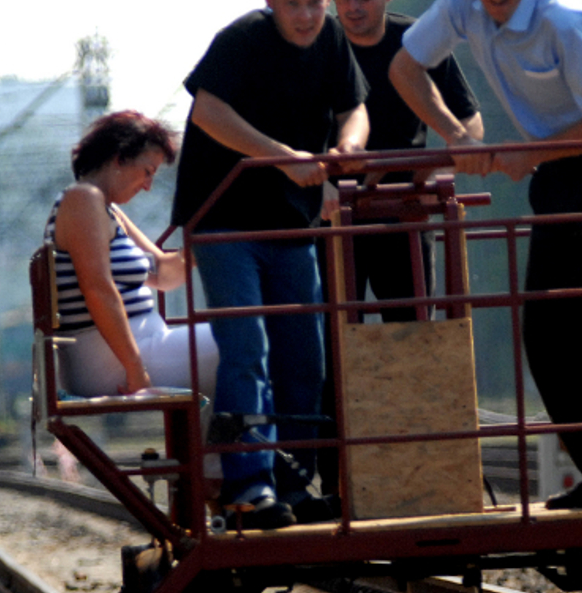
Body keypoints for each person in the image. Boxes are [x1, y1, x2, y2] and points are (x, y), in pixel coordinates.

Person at [390, 0, 582, 510]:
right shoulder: (463, 9)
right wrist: (454, 135)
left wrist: (528, 153)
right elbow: (404, 67)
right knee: (546, 331)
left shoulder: (568, 21)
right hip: (560, 174)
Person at [171, 0, 369, 529]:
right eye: (292, 4)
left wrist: (349, 144)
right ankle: (248, 488)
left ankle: (293, 484)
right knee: (247, 349)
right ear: (270, 4)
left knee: (305, 355)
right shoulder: (241, 39)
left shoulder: (330, 38)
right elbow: (208, 112)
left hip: (290, 224)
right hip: (225, 221)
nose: (305, 15)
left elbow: (354, 105)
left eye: (314, 3)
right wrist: (281, 155)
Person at [44, 110, 218, 403]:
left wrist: (216, 242)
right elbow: (97, 288)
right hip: (110, 361)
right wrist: (135, 367)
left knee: (248, 337)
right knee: (248, 341)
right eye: (147, 171)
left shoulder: (106, 210)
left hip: (138, 349)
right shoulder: (83, 200)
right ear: (120, 159)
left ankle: (218, 444)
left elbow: (163, 272)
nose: (148, 185)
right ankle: (239, 445)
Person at [331, 0, 483, 323]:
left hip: (406, 211)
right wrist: (317, 194)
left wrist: (435, 177)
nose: (353, 7)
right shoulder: (318, 45)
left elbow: (470, 123)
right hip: (333, 216)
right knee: (331, 344)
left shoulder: (415, 41)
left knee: (414, 337)